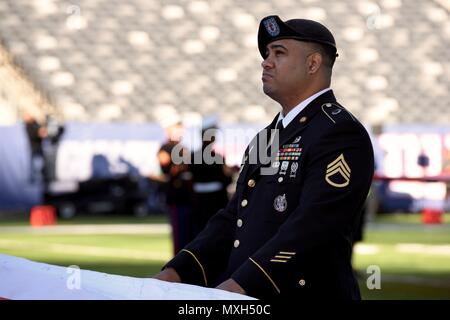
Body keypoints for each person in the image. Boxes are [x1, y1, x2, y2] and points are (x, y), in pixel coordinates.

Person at [154, 15, 374, 300]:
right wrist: (177, 272)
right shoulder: (268, 136)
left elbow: (314, 225)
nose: (266, 61)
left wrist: (240, 285)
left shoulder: (339, 133)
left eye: (279, 53)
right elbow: (235, 218)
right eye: (267, 53)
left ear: (313, 63)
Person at [152, 117, 194, 255]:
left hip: (189, 197)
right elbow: (166, 169)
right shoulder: (165, 149)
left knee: (191, 235)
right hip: (176, 197)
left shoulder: (184, 149)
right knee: (179, 235)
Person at [189, 116, 233, 237]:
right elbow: (225, 179)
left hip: (198, 201)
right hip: (216, 200)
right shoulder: (217, 157)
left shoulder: (192, 156)